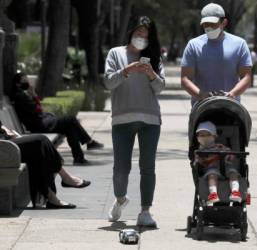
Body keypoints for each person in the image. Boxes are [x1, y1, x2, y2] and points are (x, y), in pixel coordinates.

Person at [104, 16, 165, 227]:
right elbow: (108, 82)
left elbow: (159, 88)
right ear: (131, 32)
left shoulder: (154, 57)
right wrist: (126, 70)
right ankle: (120, 198)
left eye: (146, 36)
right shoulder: (116, 53)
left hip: (150, 119)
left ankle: (145, 211)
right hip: (122, 118)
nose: (141, 39)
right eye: (139, 34)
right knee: (121, 168)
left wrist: (150, 74)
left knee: (148, 167)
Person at [10, 72, 104, 165]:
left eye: (27, 80)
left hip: (40, 122)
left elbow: (37, 110)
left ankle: (79, 157)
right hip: (39, 125)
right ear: (17, 83)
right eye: (24, 81)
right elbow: (38, 110)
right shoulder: (20, 97)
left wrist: (33, 96)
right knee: (71, 119)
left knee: (70, 128)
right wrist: (34, 95)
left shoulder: (20, 95)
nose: (27, 82)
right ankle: (88, 142)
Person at [0, 121, 91, 209]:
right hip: (3, 146)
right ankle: (64, 180)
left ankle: (52, 195)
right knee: (40, 141)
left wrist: (5, 130)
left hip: (4, 141)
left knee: (38, 148)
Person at [181, 3, 252, 105]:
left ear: (224, 22)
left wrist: (232, 94)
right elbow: (185, 79)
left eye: (213, 24)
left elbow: (246, 77)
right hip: (202, 110)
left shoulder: (239, 44)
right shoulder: (193, 45)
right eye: (206, 24)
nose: (209, 27)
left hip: (231, 108)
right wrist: (201, 96)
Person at [193, 121, 242, 206]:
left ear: (214, 136)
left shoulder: (219, 146)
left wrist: (228, 156)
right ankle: (213, 194)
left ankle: (235, 191)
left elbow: (231, 154)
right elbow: (198, 162)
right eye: (201, 135)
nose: (204, 137)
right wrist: (198, 160)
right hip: (212, 168)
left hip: (226, 166)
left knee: (233, 173)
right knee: (212, 176)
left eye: (207, 135)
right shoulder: (200, 151)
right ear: (197, 138)